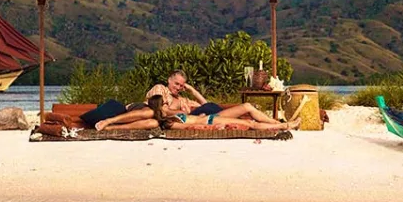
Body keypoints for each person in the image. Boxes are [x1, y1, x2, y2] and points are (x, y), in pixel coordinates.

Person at [95, 69, 282, 130]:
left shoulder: (184, 99)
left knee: (152, 122)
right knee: (151, 114)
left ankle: (279, 123)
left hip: (167, 119)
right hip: (144, 109)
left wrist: (191, 91)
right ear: (169, 80)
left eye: (181, 85)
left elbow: (206, 105)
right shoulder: (160, 88)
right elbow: (160, 108)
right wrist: (179, 110)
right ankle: (108, 121)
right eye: (176, 84)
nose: (177, 87)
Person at [146, 94, 299, 131]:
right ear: (160, 107)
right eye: (164, 103)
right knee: (249, 123)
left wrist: (195, 116)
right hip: (210, 121)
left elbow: (190, 120)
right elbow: (189, 127)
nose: (167, 104)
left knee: (246, 106)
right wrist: (210, 127)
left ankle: (277, 123)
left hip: (209, 117)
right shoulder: (168, 122)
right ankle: (284, 126)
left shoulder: (172, 115)